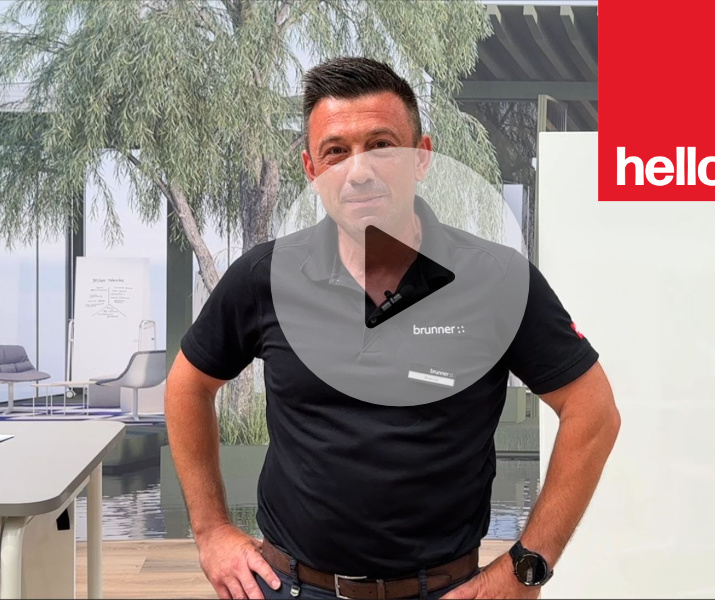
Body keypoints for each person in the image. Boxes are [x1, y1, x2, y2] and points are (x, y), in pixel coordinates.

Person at [165, 56, 621, 600]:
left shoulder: (498, 280)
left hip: (445, 590)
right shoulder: (264, 278)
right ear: (312, 170)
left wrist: (528, 566)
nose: (359, 170)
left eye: (382, 146)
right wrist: (212, 530)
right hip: (291, 586)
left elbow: (593, 410)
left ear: (421, 157)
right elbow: (188, 384)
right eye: (336, 151)